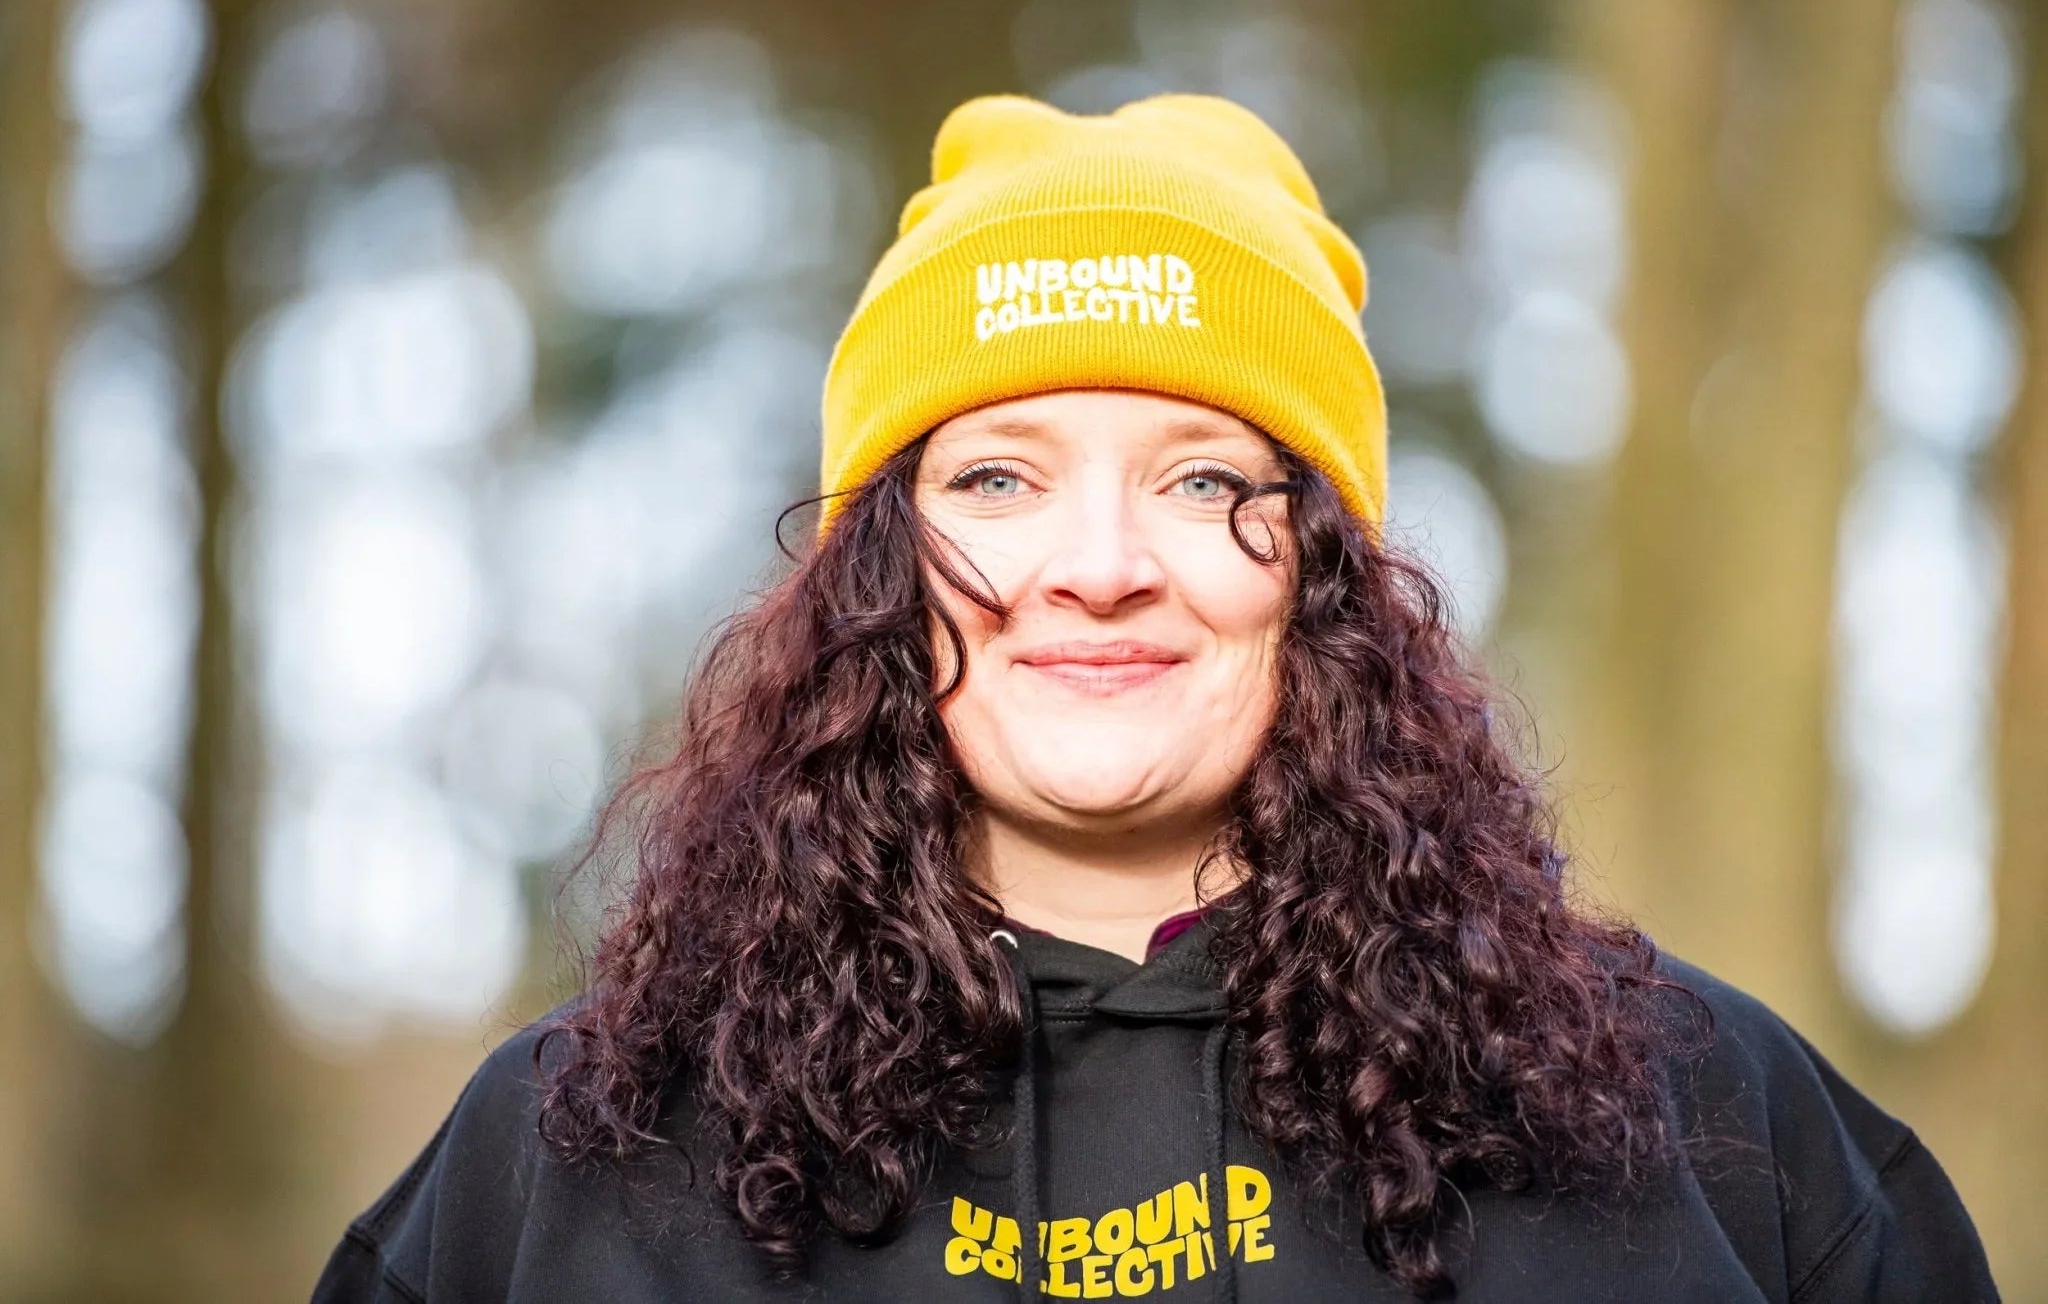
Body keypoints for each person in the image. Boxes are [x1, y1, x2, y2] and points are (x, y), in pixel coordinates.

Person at [312, 92, 1998, 1303]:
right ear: (877, 571)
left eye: (1202, 480)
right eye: (997, 479)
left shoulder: (1707, 1124)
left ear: (1322, 572)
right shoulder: (566, 1164)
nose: (1100, 564)